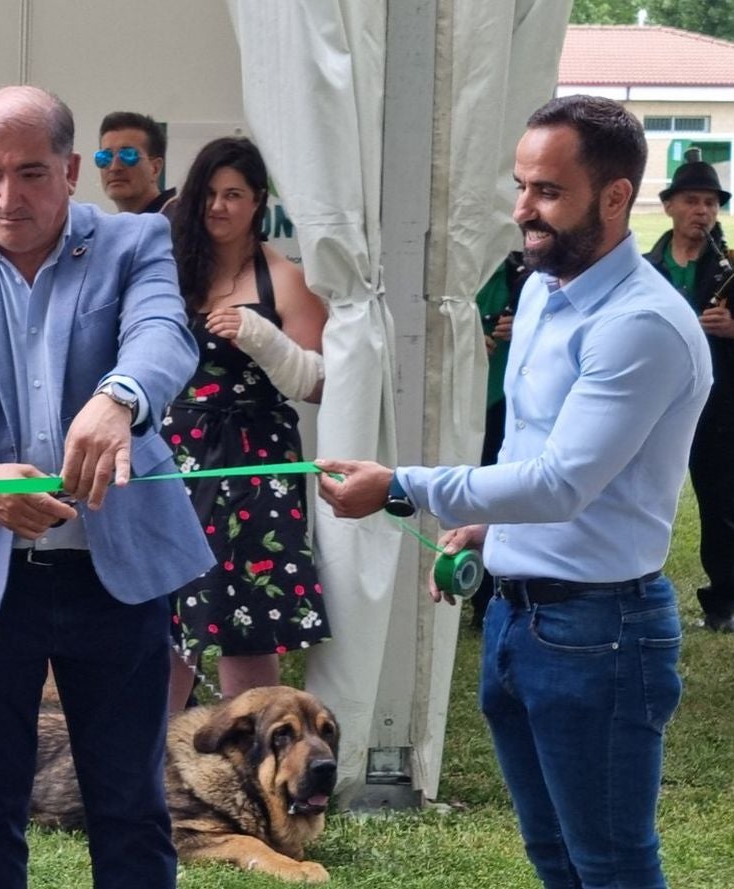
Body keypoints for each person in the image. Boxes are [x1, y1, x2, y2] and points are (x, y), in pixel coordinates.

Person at [316, 95, 711, 889]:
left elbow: (563, 481)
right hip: (516, 618)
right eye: (520, 185)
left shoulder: (642, 325)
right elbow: (535, 452)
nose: (523, 210)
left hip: (601, 633)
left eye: (547, 191)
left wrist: (402, 486)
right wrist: (486, 531)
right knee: (554, 856)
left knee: (611, 864)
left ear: (614, 198)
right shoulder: (541, 290)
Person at [0, 85, 213, 889]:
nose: (7, 195)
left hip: (115, 574)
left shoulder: (136, 245)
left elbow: (165, 336)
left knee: (129, 803)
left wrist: (120, 398)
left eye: (31, 173)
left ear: (70, 170)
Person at [162, 136, 329, 713]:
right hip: (176, 454)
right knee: (166, 609)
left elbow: (315, 382)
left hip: (258, 460)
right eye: (208, 193)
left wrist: (262, 338)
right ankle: (146, 764)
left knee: (251, 614)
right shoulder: (170, 272)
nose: (218, 206)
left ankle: (253, 766)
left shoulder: (285, 279)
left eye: (233, 194)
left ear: (259, 201)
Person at [644, 149, 734, 632]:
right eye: (692, 201)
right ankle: (630, 583)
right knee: (639, 493)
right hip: (653, 405)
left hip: (720, 406)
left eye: (710, 203)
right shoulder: (644, 267)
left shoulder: (731, 267)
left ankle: (725, 604)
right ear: (670, 206)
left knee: (723, 505)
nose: (702, 211)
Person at [468, 250, 530, 628]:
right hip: (459, 403)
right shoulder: (454, 273)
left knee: (498, 494)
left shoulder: (522, 275)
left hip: (506, 406)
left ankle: (488, 597)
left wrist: (519, 331)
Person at [97, 111, 176, 215]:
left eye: (128, 155)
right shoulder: (110, 227)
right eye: (105, 157)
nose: (114, 167)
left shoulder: (181, 220)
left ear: (155, 168)